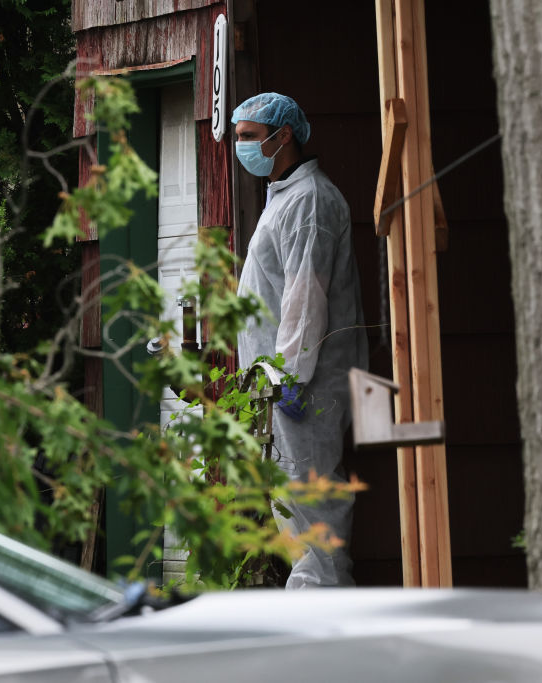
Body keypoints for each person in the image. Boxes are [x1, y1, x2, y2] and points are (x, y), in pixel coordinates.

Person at [231, 92, 369, 589]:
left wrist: (288, 379)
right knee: (301, 529)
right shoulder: (288, 197)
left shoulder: (309, 200)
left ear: (282, 134)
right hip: (288, 391)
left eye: (248, 136)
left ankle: (325, 646)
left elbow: (305, 298)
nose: (240, 146)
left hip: (303, 393)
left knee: (313, 533)